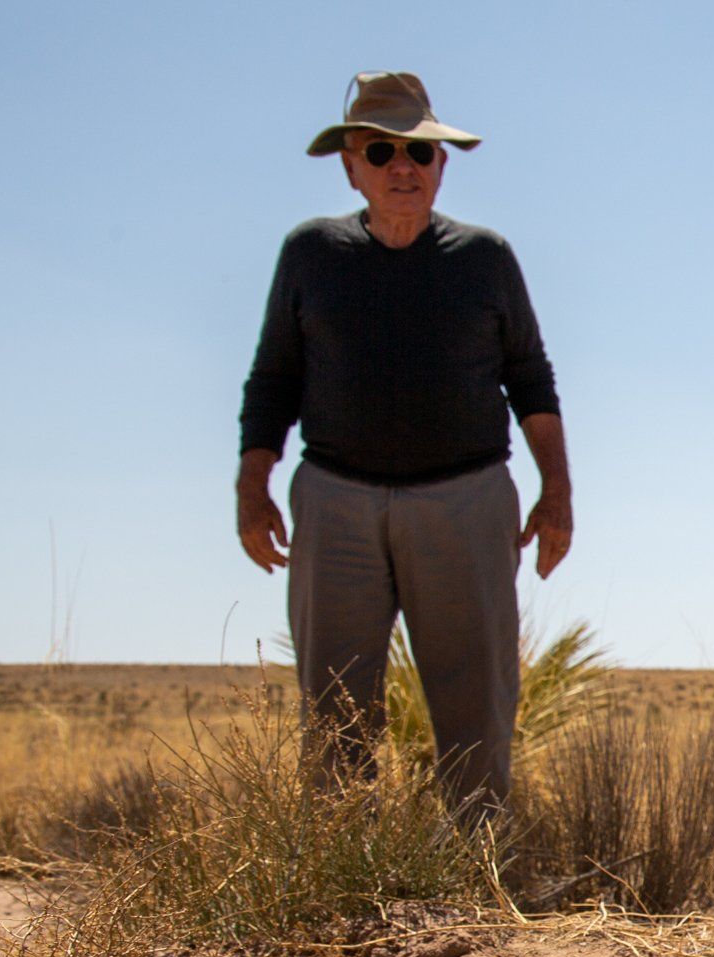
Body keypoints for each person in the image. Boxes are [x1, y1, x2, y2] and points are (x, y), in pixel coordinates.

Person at [236, 71, 571, 814]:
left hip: (467, 499)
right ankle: (342, 881)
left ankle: (475, 879)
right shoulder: (310, 255)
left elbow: (532, 380)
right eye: (381, 150)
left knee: (475, 704)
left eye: (419, 153)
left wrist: (557, 494)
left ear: (442, 166)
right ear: (350, 165)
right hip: (335, 502)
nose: (402, 167)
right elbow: (273, 380)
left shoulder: (485, 259)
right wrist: (251, 486)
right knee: (333, 709)